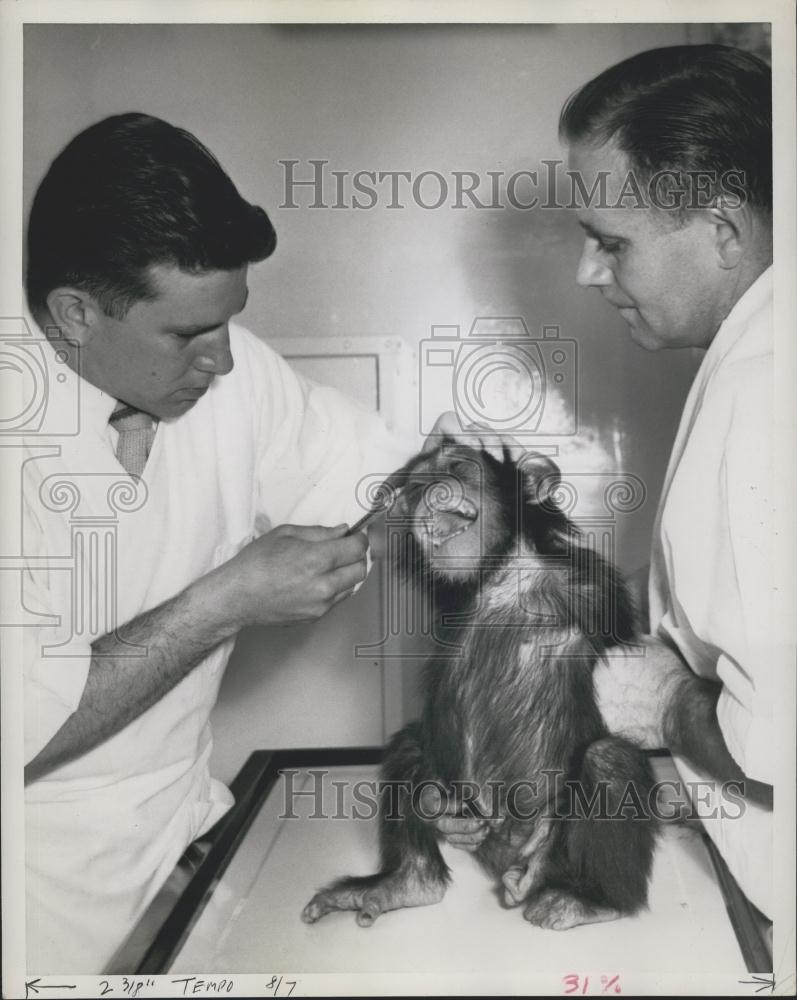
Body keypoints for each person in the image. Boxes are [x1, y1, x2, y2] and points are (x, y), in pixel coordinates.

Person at [20, 113, 504, 973]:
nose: (226, 362)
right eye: (187, 335)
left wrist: (454, 495)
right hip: (36, 901)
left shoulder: (226, 379)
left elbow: (385, 475)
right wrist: (226, 600)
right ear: (76, 313)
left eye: (229, 323)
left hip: (181, 840)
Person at [437, 44, 778, 924]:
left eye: (608, 242)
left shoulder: (765, 400)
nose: (588, 272)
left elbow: (777, 741)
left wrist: (666, 706)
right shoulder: (753, 359)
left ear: (724, 231)